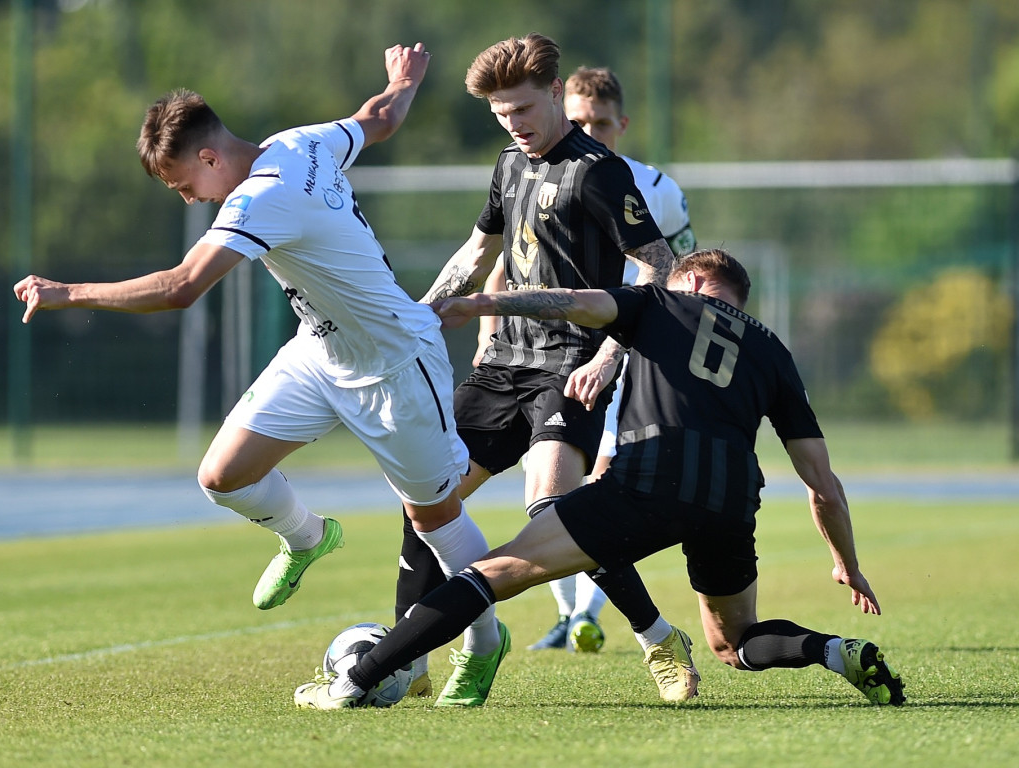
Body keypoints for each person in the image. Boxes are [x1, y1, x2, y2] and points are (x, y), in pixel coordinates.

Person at [13, 43, 504, 706]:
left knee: (434, 518)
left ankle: (483, 642)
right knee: (221, 475)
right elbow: (377, 118)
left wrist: (68, 292)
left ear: (209, 157)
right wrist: (402, 82)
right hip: (319, 352)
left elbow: (183, 285)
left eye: (185, 185)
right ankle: (307, 537)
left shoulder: (262, 198)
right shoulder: (299, 142)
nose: (190, 200)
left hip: (393, 364)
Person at [292, 248, 906, 710]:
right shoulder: (773, 351)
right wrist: (845, 562)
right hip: (731, 498)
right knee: (735, 641)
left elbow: (581, 303)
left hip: (648, 481)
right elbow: (821, 480)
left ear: (689, 280)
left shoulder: (661, 301)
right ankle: (833, 650)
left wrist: (482, 303)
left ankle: (355, 682)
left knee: (493, 571)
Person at [390, 33, 679, 703]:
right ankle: (413, 655)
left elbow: (659, 264)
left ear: (555, 94)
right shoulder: (507, 166)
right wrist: (419, 315)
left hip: (569, 364)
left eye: (522, 109)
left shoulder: (599, 171)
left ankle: (656, 636)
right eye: (500, 115)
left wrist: (611, 354)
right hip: (500, 366)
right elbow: (477, 251)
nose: (514, 125)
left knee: (550, 510)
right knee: (426, 502)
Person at [525, 65, 698, 653]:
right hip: (554, 353)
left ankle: (585, 613)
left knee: (603, 484)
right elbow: (512, 261)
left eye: (601, 123)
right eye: (578, 121)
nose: (590, 132)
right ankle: (572, 612)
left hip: (629, 353)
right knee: (552, 489)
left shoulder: (656, 190)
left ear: (621, 124)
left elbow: (680, 273)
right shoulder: (537, 174)